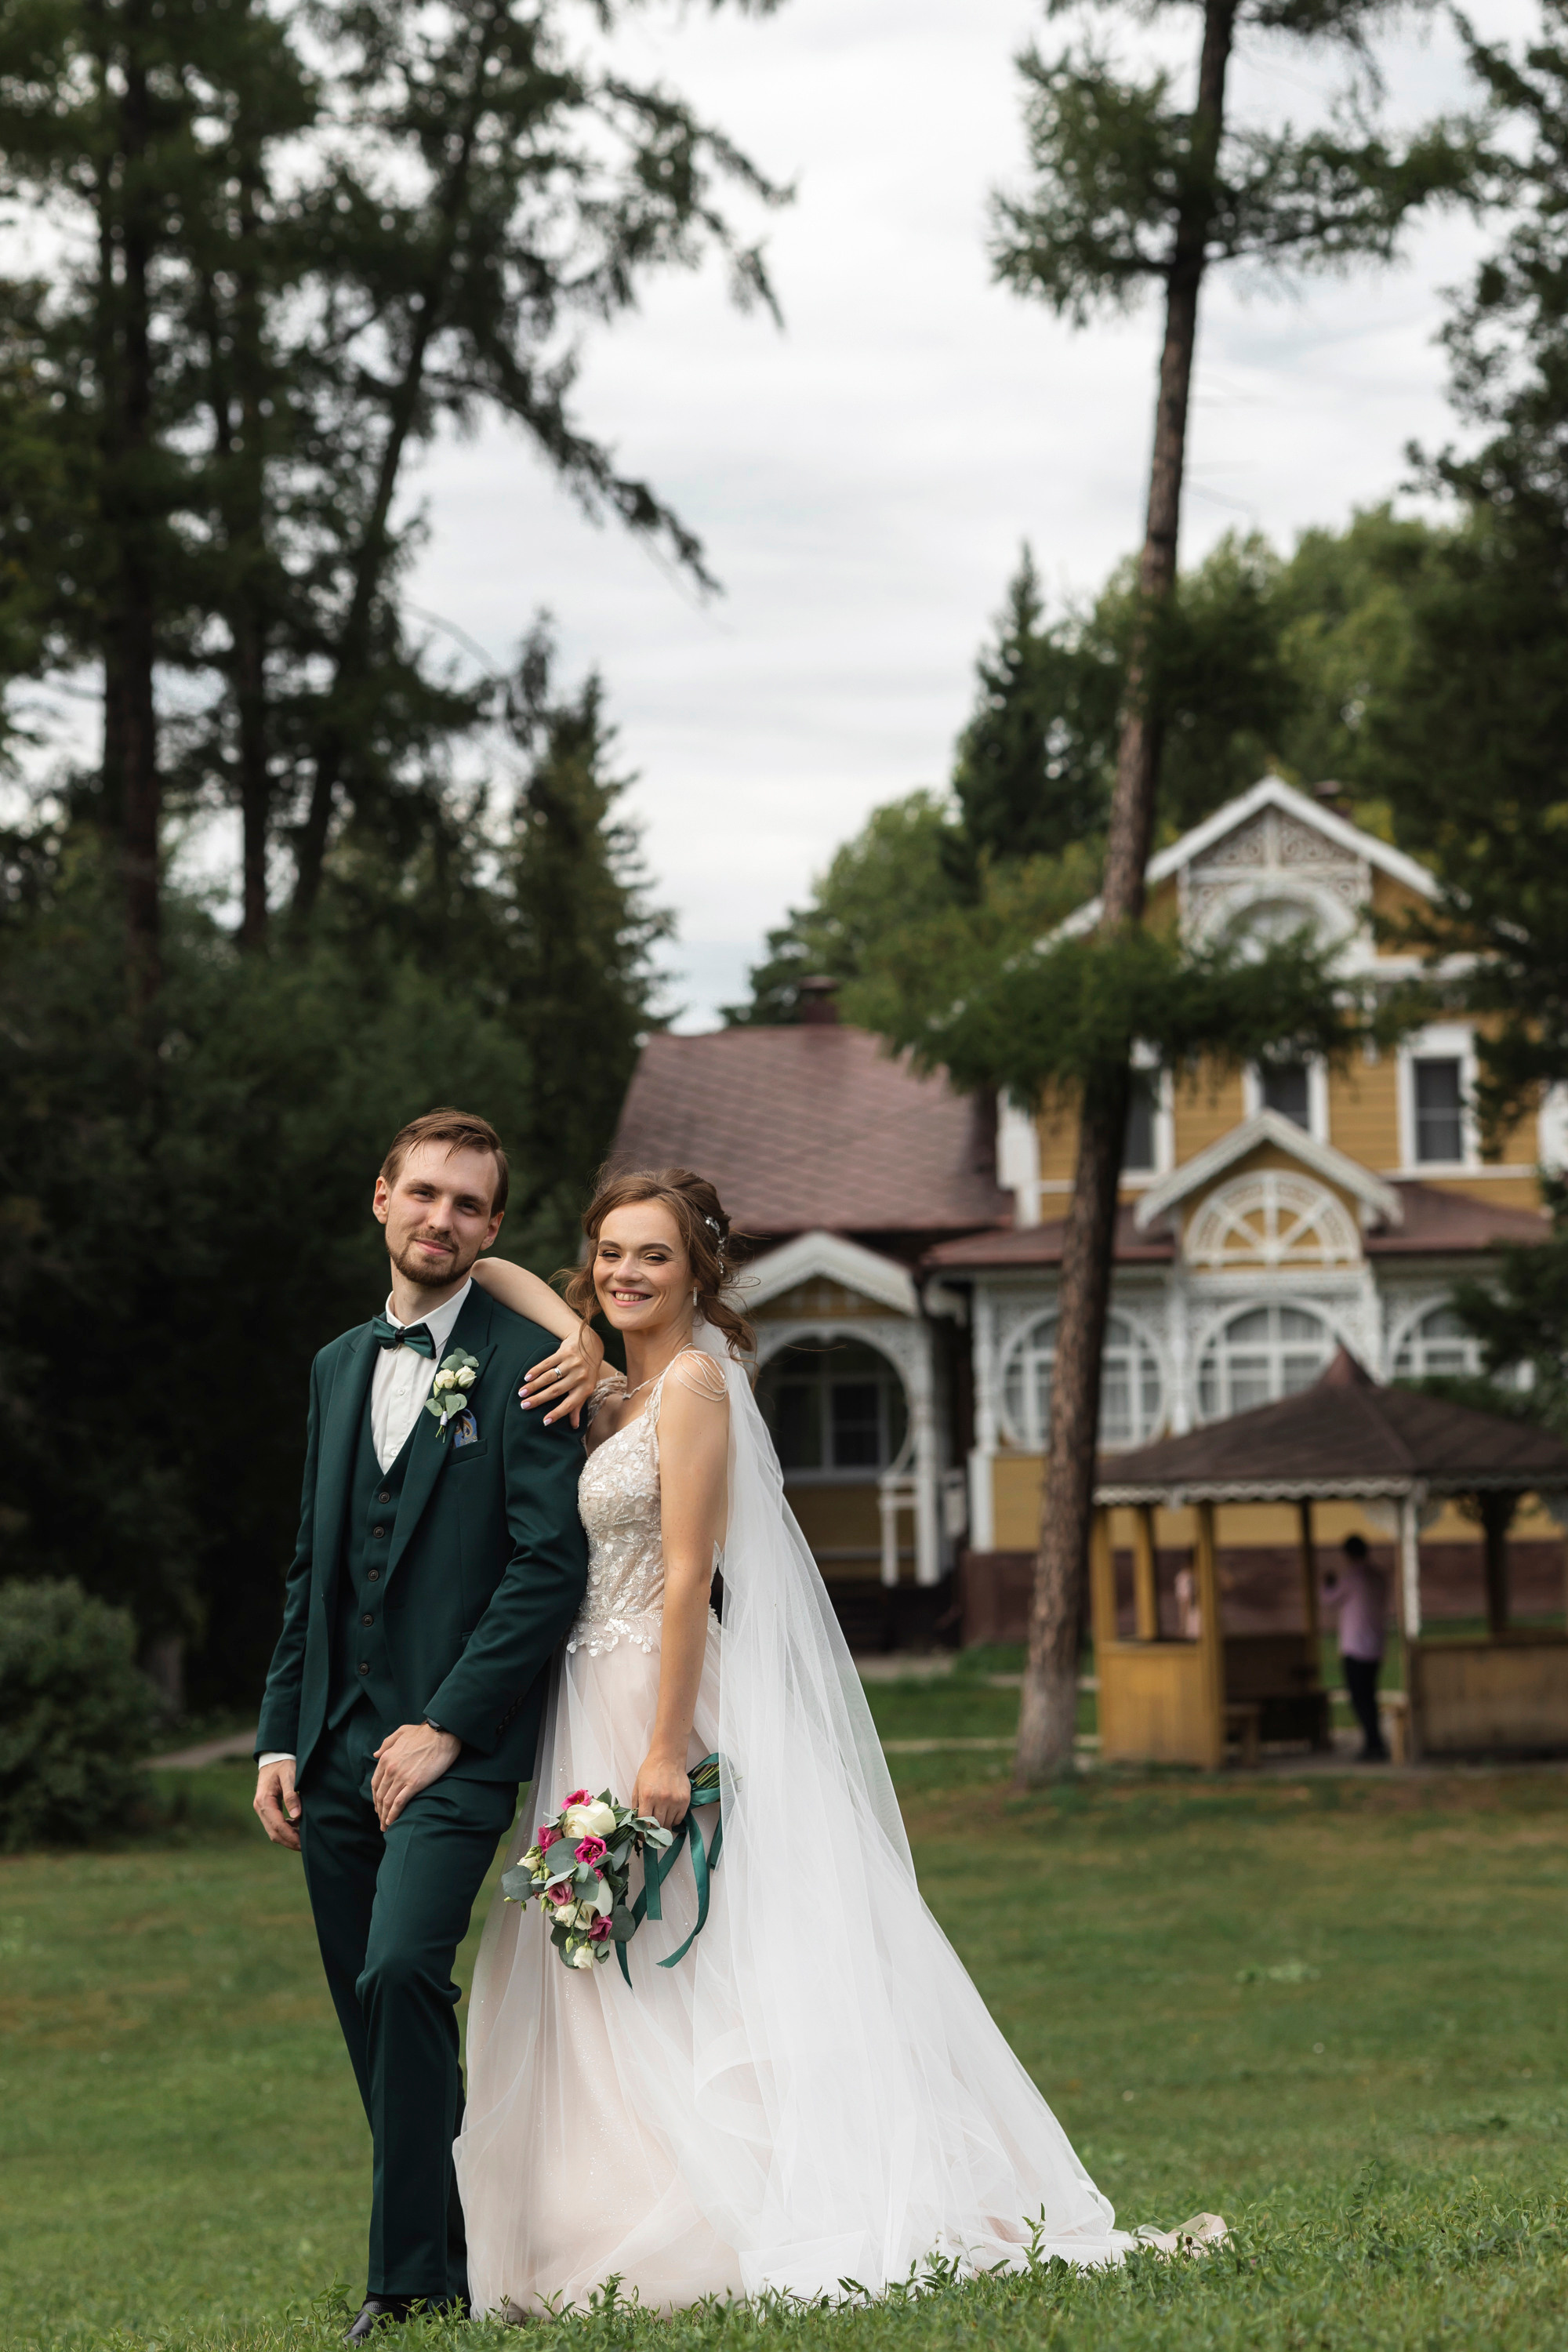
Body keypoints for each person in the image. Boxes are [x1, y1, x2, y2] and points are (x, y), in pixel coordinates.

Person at [454, 1166, 1223, 2314]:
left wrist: (664, 1752)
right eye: (609, 1252)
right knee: (605, 1958)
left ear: (699, 1270)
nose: (626, 1272)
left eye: (654, 1255)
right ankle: (596, 2209)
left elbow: (686, 1579)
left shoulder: (699, 1390)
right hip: (579, 1696)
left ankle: (727, 2204)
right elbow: (487, 1267)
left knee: (696, 1946)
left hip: (653, 1698)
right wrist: (574, 1320)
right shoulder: (611, 1386)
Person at [252, 1108, 607, 2343]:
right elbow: (313, 1560)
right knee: (370, 2005)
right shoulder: (337, 1364)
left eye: (468, 1204)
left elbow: (545, 1565)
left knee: (406, 1967)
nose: (441, 1219)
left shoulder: (529, 1363)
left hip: (458, 1746)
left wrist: (451, 1725)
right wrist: (279, 1735)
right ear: (382, 1199)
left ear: (493, 1229)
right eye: (424, 1195)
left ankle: (405, 2287)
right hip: (334, 1741)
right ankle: (456, 2249)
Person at [1325, 1533, 1389, 1762]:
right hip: (1376, 1645)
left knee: (1359, 1697)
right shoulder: (1377, 1577)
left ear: (1348, 1555)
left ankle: (1373, 1743)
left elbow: (1329, 1600)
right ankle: (1375, 1741)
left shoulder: (1352, 1577)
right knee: (1369, 1696)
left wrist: (1328, 1583)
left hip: (1355, 1647)